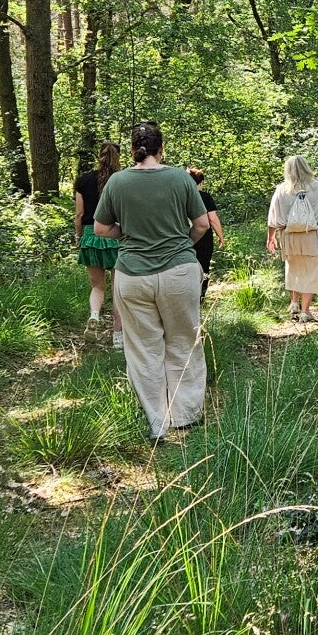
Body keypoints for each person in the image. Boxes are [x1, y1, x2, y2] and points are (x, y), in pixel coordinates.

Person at [94, 122, 210, 440]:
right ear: (162, 149)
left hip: (133, 275)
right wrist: (181, 243)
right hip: (179, 272)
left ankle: (156, 419)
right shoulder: (180, 178)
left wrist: (128, 233)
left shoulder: (118, 181)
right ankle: (185, 415)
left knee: (144, 349)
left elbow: (101, 228)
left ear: (133, 150)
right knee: (183, 341)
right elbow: (202, 224)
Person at [266, 154, 318, 322]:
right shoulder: (317, 188)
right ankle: (305, 311)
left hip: (290, 238)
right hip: (313, 237)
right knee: (311, 272)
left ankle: (294, 303)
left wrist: (271, 237)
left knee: (294, 269)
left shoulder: (282, 190)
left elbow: (273, 217)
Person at [75, 141, 124, 346]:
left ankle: (94, 315)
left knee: (97, 286)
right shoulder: (122, 180)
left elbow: (79, 214)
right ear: (118, 157)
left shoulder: (83, 180)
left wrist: (79, 237)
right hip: (114, 236)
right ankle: (118, 338)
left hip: (90, 236)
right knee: (117, 290)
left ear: (99, 155)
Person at [187, 167, 224, 295]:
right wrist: (220, 236)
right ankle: (201, 295)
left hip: (183, 236)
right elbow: (212, 219)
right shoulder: (205, 197)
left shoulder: (181, 196)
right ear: (201, 182)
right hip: (204, 238)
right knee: (203, 266)